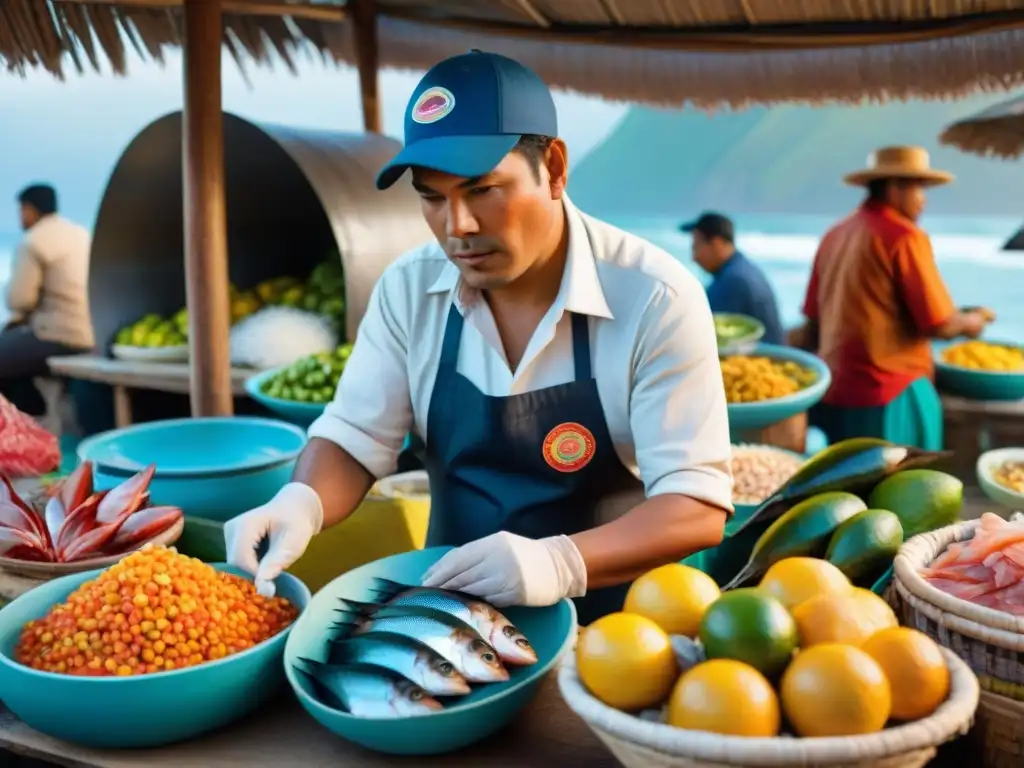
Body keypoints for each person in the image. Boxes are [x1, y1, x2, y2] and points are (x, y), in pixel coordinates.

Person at [225, 50, 733, 625]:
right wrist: (303, 502)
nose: (457, 226)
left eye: (484, 189)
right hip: (447, 622)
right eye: (432, 197)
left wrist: (559, 563)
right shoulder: (409, 292)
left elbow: (695, 505)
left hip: (616, 635)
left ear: (556, 169)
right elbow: (355, 435)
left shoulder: (654, 297)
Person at [791, 147, 994, 449]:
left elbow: (813, 319)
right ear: (895, 187)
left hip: (834, 390)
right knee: (905, 489)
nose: (924, 199)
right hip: (889, 393)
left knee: (846, 491)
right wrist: (972, 322)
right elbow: (937, 323)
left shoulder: (835, 234)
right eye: (920, 189)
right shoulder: (904, 237)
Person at [1, 184, 95, 405]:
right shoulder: (79, 234)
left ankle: (30, 415)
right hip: (91, 333)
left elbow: (20, 300)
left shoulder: (33, 241)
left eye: (21, 211)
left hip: (58, 337)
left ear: (29, 209)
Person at [681, 212, 784, 345]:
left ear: (716, 244)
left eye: (696, 247)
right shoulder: (742, 269)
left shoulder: (732, 283)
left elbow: (707, 339)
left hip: (757, 359)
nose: (694, 258)